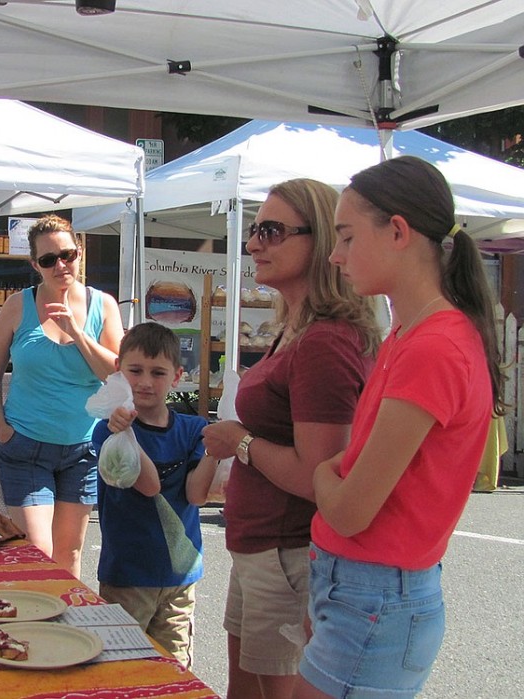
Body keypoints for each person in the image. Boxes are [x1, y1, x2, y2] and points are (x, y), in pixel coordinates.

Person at [293, 157, 504, 699]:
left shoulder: (432, 345)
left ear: (398, 231)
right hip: (366, 593)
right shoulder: (414, 335)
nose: (335, 256)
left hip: (375, 597)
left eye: (345, 237)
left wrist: (321, 473)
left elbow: (349, 507)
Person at [201, 178, 380, 699]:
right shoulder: (297, 329)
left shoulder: (324, 341)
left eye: (272, 231)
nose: (254, 243)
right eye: (256, 230)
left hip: (288, 554)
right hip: (265, 550)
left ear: (320, 240)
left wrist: (240, 442)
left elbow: (317, 477)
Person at [0, 214, 124, 578]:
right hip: (25, 446)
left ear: (80, 253)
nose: (61, 265)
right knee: (37, 551)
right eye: (48, 260)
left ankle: (65, 629)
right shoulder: (18, 305)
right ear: (35, 265)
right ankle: (31, 629)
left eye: (68, 255)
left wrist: (77, 333)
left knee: (69, 553)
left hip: (82, 448)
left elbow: (119, 374)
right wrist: (1, 427)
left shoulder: (102, 305)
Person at [91, 322, 219, 668]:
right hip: (127, 576)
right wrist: (127, 431)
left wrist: (215, 450)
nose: (145, 382)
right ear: (118, 370)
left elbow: (196, 495)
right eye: (135, 371)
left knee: (174, 668)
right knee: (123, 666)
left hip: (180, 577)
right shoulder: (107, 431)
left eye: (157, 373)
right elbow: (149, 485)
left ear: (177, 377)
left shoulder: (194, 429)